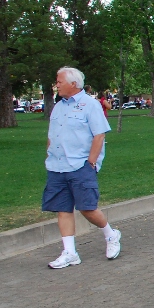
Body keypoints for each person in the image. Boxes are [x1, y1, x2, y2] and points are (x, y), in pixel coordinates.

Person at [43, 67, 122, 269]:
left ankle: (111, 235)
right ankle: (70, 253)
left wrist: (91, 163)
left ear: (73, 83)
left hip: (80, 165)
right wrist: (49, 155)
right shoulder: (58, 107)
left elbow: (100, 135)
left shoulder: (90, 105)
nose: (57, 84)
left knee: (87, 208)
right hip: (57, 166)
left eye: (59, 81)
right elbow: (52, 136)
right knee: (63, 208)